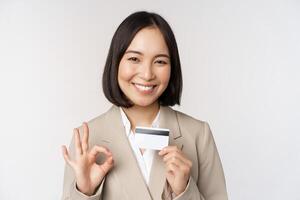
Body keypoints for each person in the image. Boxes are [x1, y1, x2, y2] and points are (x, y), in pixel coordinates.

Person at [61, 11, 228, 200]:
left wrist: (184, 192)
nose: (147, 74)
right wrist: (85, 192)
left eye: (160, 61)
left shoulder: (198, 134)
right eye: (134, 59)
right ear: (116, 62)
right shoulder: (87, 138)